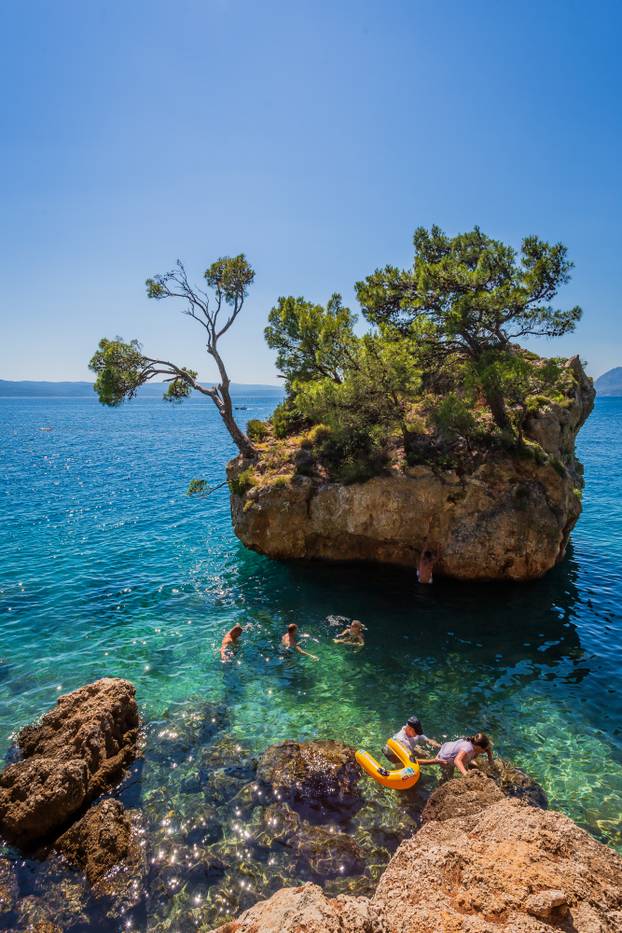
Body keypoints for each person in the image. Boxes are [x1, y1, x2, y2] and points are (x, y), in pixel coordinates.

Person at [417, 732, 494, 776]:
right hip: (445, 759)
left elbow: (488, 749)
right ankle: (418, 760)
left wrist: (490, 758)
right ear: (478, 747)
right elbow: (457, 760)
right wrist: (465, 774)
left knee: (474, 764)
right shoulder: (468, 748)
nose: (486, 751)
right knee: (448, 775)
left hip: (447, 746)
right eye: (484, 749)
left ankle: (435, 746)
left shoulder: (474, 741)